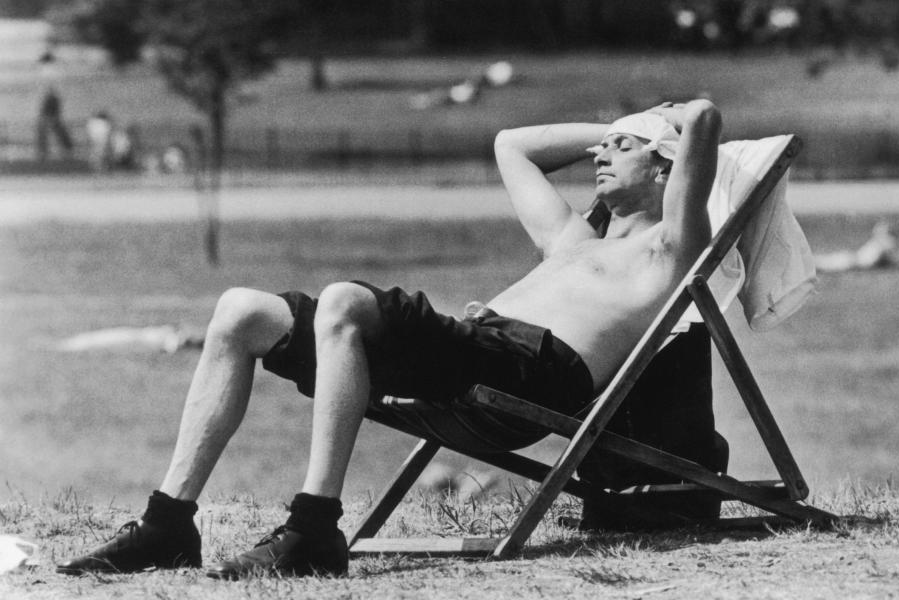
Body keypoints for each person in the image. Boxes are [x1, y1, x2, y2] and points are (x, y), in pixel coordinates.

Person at [57, 100, 724, 578]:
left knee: (346, 301)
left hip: (528, 373)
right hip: (471, 355)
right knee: (239, 312)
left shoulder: (669, 250)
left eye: (623, 148)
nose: (601, 156)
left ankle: (314, 527)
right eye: (602, 147)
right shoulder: (569, 241)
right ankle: (167, 524)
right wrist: (618, 130)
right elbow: (509, 143)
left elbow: (704, 117)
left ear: (667, 168)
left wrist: (662, 122)